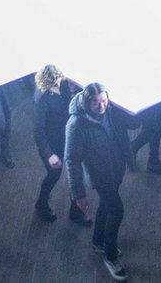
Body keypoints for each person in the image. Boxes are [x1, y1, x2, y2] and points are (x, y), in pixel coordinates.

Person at [65, 83, 136, 281]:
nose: (101, 106)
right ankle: (110, 256)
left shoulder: (112, 111)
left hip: (116, 169)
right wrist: (78, 194)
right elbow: (71, 160)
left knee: (106, 206)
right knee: (116, 210)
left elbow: (129, 129)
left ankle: (98, 242)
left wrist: (130, 162)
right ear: (87, 102)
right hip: (100, 176)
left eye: (104, 100)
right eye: (96, 102)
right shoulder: (76, 124)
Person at [33, 65, 89, 224]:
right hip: (53, 144)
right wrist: (49, 154)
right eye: (58, 78)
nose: (62, 79)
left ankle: (76, 212)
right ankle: (41, 204)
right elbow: (38, 131)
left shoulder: (65, 84)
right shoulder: (42, 98)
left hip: (70, 138)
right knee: (53, 175)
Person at [128, 100, 161, 176]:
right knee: (154, 126)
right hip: (155, 93)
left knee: (153, 125)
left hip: (153, 93)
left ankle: (153, 159)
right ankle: (133, 148)